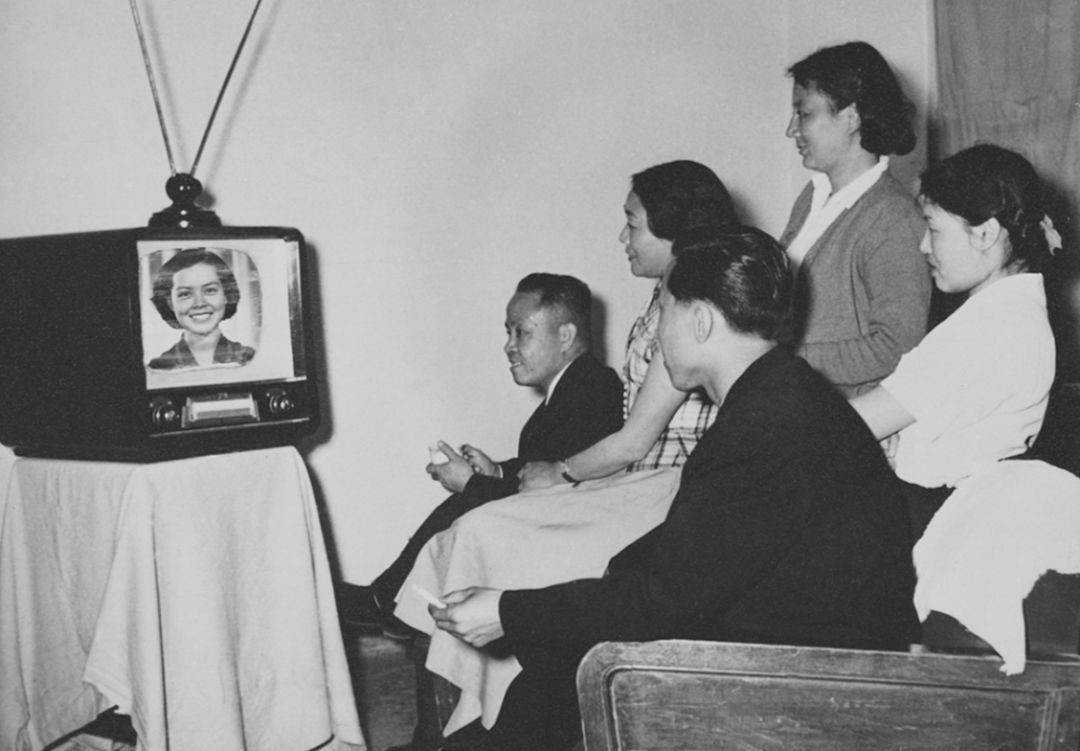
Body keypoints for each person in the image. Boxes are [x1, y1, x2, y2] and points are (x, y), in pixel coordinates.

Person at [430, 228, 920, 751]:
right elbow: (689, 564)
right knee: (550, 678)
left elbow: (665, 602)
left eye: (663, 311)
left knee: (556, 678)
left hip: (805, 690)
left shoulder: (761, 427)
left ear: (701, 321)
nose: (657, 336)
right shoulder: (784, 396)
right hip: (799, 658)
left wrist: (506, 611)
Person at [337, 273, 624, 637]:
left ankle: (387, 602)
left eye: (521, 332)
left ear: (565, 336)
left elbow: (556, 499)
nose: (509, 346)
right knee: (463, 507)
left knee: (464, 507)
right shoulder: (577, 387)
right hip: (550, 528)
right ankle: (389, 601)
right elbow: (547, 466)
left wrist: (471, 484)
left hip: (566, 543)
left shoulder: (592, 390)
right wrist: (497, 472)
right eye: (508, 332)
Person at [849, 143, 1061, 537]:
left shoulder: (989, 329)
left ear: (985, 234)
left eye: (933, 229)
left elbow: (855, 424)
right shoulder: (1013, 314)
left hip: (938, 521)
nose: (923, 246)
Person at [518, 159, 738, 489]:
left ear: (674, 230)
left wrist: (559, 472)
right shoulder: (663, 298)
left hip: (670, 486)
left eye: (632, 225)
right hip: (643, 478)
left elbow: (634, 441)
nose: (623, 237)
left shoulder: (688, 309)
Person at [780, 41, 932, 395]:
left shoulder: (892, 218)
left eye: (804, 113)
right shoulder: (811, 197)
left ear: (851, 117)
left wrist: (784, 359)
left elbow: (897, 347)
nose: (791, 129)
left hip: (845, 414)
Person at [148, 247, 256, 370]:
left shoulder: (251, 359)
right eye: (185, 294)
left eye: (210, 290)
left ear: (226, 295)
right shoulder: (158, 367)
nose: (199, 303)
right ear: (170, 303)